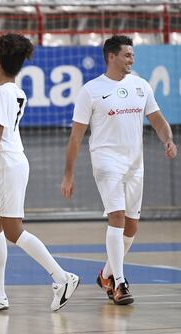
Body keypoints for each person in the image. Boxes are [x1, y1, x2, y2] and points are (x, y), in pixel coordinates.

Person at [0, 33, 80, 312]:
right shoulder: (14, 90)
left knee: (13, 230)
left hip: (5, 164)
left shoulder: (4, 93)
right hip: (10, 162)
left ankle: (62, 277)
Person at [61, 35, 177, 305]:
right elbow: (76, 137)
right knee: (117, 218)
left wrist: (168, 139)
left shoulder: (141, 86)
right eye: (127, 55)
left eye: (133, 55)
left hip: (135, 164)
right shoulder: (91, 90)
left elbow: (157, 119)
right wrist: (69, 173)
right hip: (106, 161)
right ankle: (120, 283)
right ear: (111, 56)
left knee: (131, 226)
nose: (131, 60)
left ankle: (106, 274)